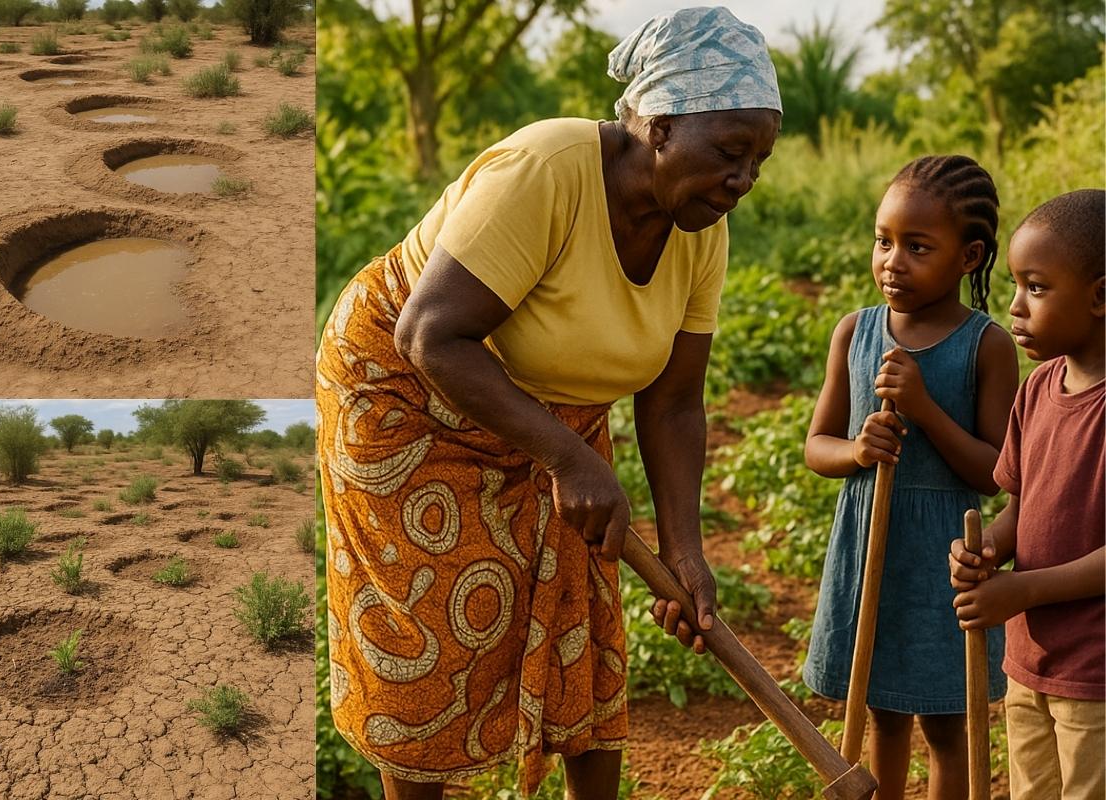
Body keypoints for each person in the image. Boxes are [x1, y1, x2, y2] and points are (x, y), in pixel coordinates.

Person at [316, 7, 781, 798]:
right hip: (408, 399)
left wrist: (686, 551)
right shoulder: (549, 166)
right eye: (731, 152)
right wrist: (568, 455)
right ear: (661, 126)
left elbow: (674, 402)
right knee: (429, 642)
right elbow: (430, 334)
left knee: (582, 625)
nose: (743, 180)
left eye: (758, 162)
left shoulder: (701, 222)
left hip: (549, 413)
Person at [801, 155, 1019, 800]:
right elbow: (818, 446)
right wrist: (859, 452)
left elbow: (995, 474)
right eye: (884, 240)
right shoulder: (855, 332)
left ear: (969, 256)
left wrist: (924, 409)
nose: (893, 261)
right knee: (881, 713)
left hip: (944, 557)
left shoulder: (987, 344)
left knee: (949, 724)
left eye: (918, 247)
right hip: (872, 543)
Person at [949, 189, 1105, 799]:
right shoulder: (1039, 388)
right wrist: (988, 549)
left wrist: (1025, 589)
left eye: (1036, 288)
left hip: (1095, 673)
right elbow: (1024, 504)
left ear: (1100, 296)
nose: (1014, 307)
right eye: (1015, 286)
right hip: (1029, 661)